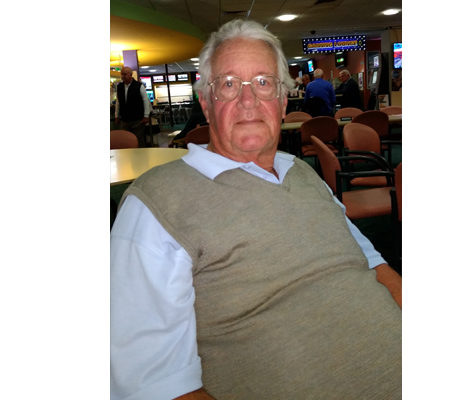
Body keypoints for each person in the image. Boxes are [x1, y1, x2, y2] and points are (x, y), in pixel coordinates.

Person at [111, 19, 401, 400]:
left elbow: (373, 264)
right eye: (229, 84)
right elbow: (149, 384)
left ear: (282, 101)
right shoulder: (156, 202)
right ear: (206, 103)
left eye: (263, 82)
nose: (248, 101)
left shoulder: (303, 171)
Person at [115, 66, 152, 147]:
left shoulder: (139, 86)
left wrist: (146, 116)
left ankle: (141, 155)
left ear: (130, 75)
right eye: (122, 74)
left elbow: (145, 101)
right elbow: (118, 102)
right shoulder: (119, 86)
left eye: (125, 74)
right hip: (124, 119)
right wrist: (116, 115)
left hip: (137, 119)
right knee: (125, 141)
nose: (123, 76)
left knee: (138, 140)